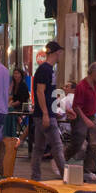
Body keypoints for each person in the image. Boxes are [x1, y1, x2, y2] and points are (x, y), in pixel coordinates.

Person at [29, 42, 67, 181]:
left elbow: (47, 93)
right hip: (44, 115)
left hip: (44, 114)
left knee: (38, 148)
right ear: (57, 53)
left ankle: (35, 178)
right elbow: (40, 92)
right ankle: (66, 177)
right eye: (60, 53)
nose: (61, 55)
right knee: (57, 146)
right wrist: (46, 113)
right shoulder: (45, 70)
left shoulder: (48, 69)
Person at [66, 62, 96, 178]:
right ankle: (61, 157)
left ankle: (88, 170)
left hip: (92, 116)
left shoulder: (95, 85)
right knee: (77, 143)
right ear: (94, 72)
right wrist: (85, 120)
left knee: (95, 142)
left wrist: (93, 118)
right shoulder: (81, 86)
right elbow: (76, 106)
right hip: (81, 116)